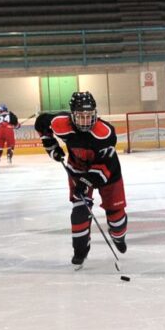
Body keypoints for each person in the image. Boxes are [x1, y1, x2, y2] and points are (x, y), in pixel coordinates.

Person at [34, 92, 128, 267]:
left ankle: (119, 236)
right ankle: (80, 250)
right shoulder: (60, 123)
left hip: (107, 172)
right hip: (77, 167)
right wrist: (50, 144)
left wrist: (86, 183)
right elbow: (41, 122)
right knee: (79, 211)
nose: (86, 120)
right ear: (72, 115)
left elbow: (104, 165)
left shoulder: (105, 133)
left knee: (116, 216)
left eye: (89, 115)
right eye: (81, 116)